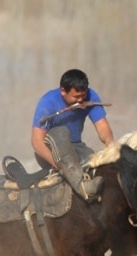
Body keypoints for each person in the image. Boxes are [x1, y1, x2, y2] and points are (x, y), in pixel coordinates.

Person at [31, 68, 114, 201]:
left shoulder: (91, 96)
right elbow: (37, 142)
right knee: (61, 132)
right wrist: (60, 167)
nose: (81, 100)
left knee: (95, 163)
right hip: (50, 150)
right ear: (63, 91)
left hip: (75, 147)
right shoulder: (48, 102)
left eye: (83, 96)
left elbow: (102, 127)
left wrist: (111, 147)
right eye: (76, 97)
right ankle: (83, 188)